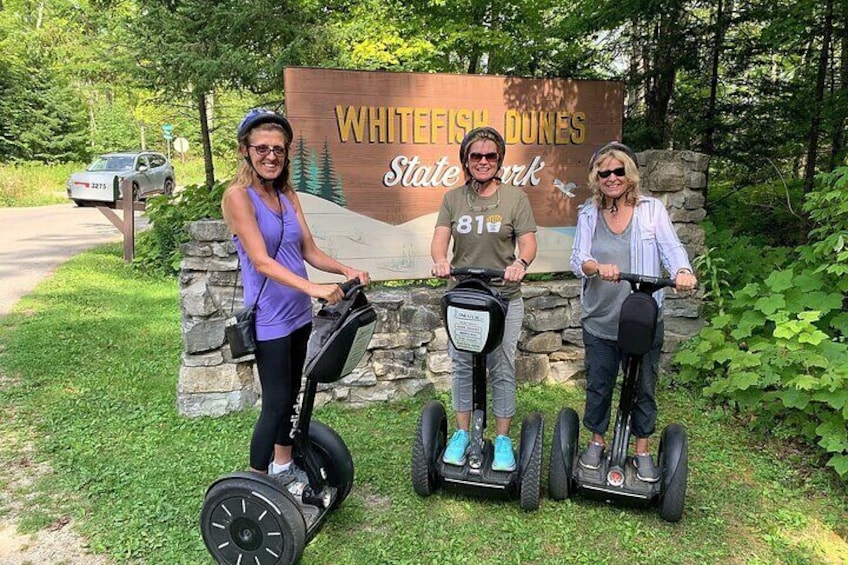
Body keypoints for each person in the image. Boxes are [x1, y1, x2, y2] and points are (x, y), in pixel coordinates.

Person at [222, 108, 370, 495]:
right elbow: (261, 261)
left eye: (279, 150)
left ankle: (284, 466)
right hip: (270, 317)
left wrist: (344, 270)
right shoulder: (239, 198)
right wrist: (314, 289)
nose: (271, 156)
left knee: (292, 397)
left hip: (298, 316)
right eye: (262, 148)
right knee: (273, 404)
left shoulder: (286, 195)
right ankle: (254, 485)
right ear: (245, 150)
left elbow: (309, 250)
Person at [571, 141, 697, 482]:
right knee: (599, 385)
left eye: (618, 171)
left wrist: (682, 272)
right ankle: (596, 442)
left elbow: (671, 247)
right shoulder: (588, 213)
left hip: (642, 319)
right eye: (604, 173)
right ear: (596, 177)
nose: (612, 178)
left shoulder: (651, 210)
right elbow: (577, 258)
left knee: (644, 386)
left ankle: (641, 450)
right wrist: (594, 266)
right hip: (600, 317)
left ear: (629, 174)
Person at [430, 126, 538, 472]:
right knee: (462, 364)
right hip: (464, 298)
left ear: (499, 160)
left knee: (502, 366)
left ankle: (503, 439)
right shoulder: (453, 199)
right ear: (466, 160)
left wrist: (521, 263)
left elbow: (529, 242)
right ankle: (462, 433)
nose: (483, 161)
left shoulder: (515, 199)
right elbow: (439, 240)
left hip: (504, 298)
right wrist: (440, 261)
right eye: (476, 155)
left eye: (490, 155)